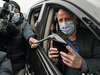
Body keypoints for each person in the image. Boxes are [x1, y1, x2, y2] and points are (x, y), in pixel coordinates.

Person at [48, 9, 100, 75]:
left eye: (67, 19)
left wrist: (81, 63)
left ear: (75, 20)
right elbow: (58, 68)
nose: (64, 23)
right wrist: (54, 62)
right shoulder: (55, 39)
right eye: (61, 20)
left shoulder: (90, 35)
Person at [1, 1, 39, 75]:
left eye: (15, 11)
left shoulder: (23, 24)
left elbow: (27, 31)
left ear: (19, 11)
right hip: (2, 63)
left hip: (18, 65)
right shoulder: (1, 23)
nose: (12, 14)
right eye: (9, 12)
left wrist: (31, 38)